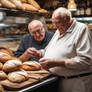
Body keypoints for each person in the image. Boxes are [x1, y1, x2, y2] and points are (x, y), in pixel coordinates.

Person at [27, 7, 92, 92]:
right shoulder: (60, 30)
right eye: (54, 23)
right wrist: (39, 53)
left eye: (57, 23)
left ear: (68, 19)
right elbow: (49, 50)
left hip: (77, 83)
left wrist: (56, 62)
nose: (55, 26)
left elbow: (86, 60)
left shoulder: (81, 29)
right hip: (61, 81)